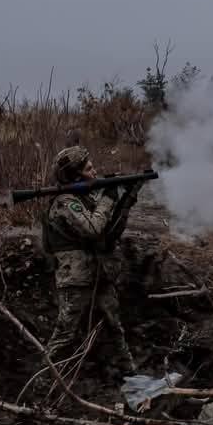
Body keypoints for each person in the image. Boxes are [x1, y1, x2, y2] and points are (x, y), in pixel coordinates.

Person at [40, 145, 143, 379]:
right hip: (75, 278)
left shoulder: (82, 198)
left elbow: (108, 229)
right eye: (88, 168)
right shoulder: (66, 202)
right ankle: (43, 382)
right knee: (65, 333)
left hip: (98, 273)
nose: (94, 171)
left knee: (114, 326)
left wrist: (123, 197)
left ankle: (130, 373)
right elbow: (94, 228)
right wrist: (107, 197)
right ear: (75, 175)